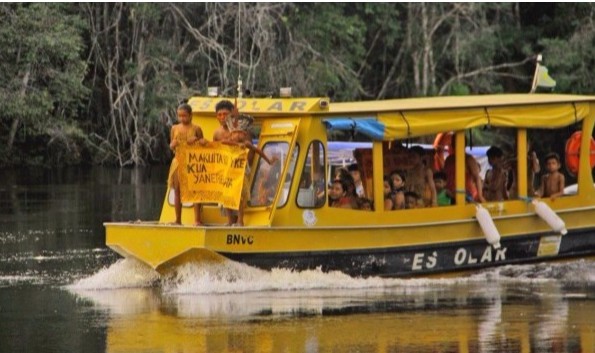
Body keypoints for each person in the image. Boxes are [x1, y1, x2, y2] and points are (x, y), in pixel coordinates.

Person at [220, 112, 278, 226]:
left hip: (241, 173)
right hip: (228, 172)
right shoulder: (229, 142)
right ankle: (229, 220)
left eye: (240, 133)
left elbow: (258, 151)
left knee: (240, 197)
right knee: (226, 196)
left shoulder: (246, 143)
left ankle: (240, 220)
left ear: (244, 134)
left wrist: (269, 161)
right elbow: (222, 142)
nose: (237, 136)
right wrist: (236, 145)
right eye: (235, 133)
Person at [168, 103, 205, 225]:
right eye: (180, 116)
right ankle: (178, 219)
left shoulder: (196, 129)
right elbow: (171, 145)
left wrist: (197, 141)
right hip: (178, 161)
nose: (182, 119)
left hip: (192, 162)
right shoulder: (174, 128)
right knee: (177, 191)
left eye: (184, 116)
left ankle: (197, 219)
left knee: (195, 191)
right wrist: (174, 144)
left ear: (190, 116)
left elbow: (202, 145)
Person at [443, 137, 486, 203]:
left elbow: (477, 177)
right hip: (449, 196)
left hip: (466, 196)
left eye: (456, 142)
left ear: (464, 144)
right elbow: (444, 177)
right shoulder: (449, 159)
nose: (455, 145)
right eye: (454, 143)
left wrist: (480, 196)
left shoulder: (469, 159)